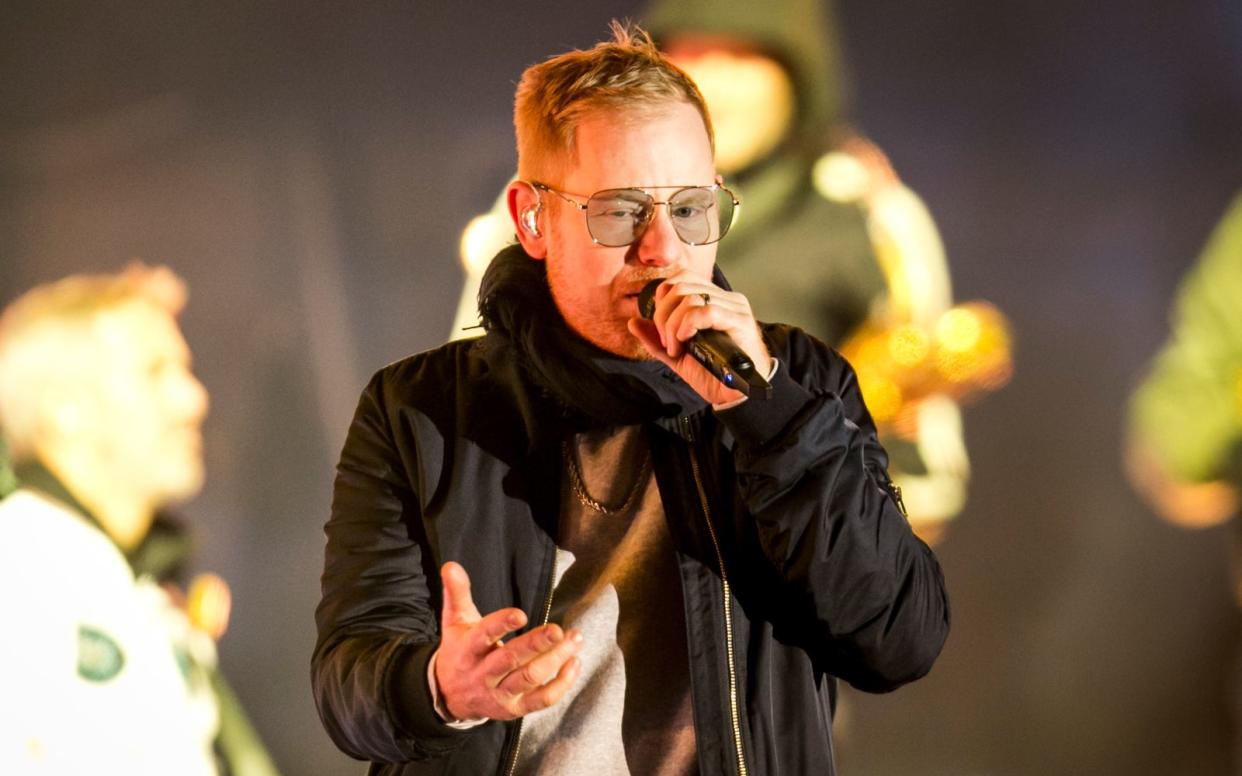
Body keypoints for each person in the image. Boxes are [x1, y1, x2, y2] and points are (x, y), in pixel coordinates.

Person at [313, 24, 949, 775]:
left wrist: (768, 416)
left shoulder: (798, 382)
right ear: (532, 219)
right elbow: (345, 682)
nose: (663, 252)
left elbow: (899, 639)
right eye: (620, 212)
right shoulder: (420, 410)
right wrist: (439, 688)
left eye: (690, 209)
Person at [451, 0, 1007, 544]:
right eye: (695, 52)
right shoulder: (557, 199)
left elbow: (920, 473)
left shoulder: (863, 209)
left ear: (797, 74)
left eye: (744, 57)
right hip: (567, 550)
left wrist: (847, 571)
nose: (719, 83)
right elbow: (472, 390)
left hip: (777, 571)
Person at [0, 264, 279, 775]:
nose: (193, 400)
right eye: (154, 371)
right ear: (65, 406)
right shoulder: (16, 568)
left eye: (186, 371)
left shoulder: (139, 585)